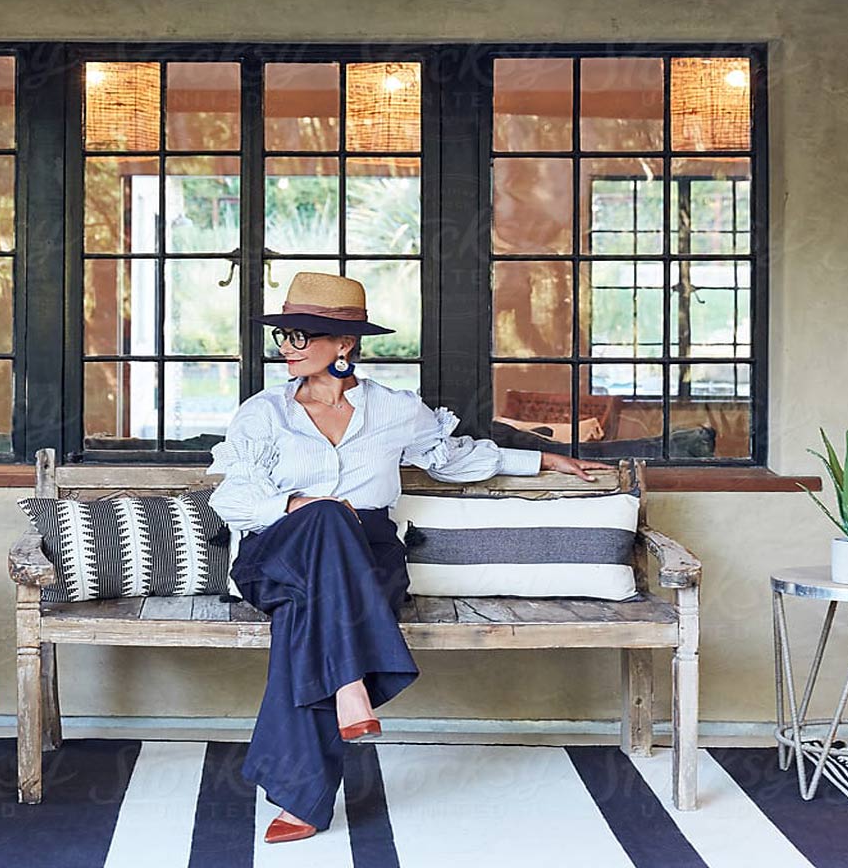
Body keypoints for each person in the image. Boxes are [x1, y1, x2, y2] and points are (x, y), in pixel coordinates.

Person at [205, 271, 613, 844]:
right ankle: (350, 682)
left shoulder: (395, 410)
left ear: (344, 345)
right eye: (285, 336)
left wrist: (541, 461)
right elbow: (234, 496)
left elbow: (452, 457)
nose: (288, 348)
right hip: (280, 551)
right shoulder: (263, 412)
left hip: (366, 558)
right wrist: (299, 501)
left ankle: (303, 793)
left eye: (303, 336)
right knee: (324, 516)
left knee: (307, 614)